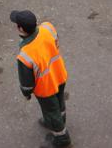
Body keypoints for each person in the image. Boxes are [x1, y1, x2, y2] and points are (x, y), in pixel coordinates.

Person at [10, 10, 71, 147]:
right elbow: (55, 44)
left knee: (51, 111)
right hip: (59, 74)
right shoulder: (48, 27)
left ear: (20, 28)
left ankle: (62, 139)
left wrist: (26, 94)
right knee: (59, 102)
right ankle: (60, 120)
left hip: (46, 88)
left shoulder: (25, 55)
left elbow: (27, 84)